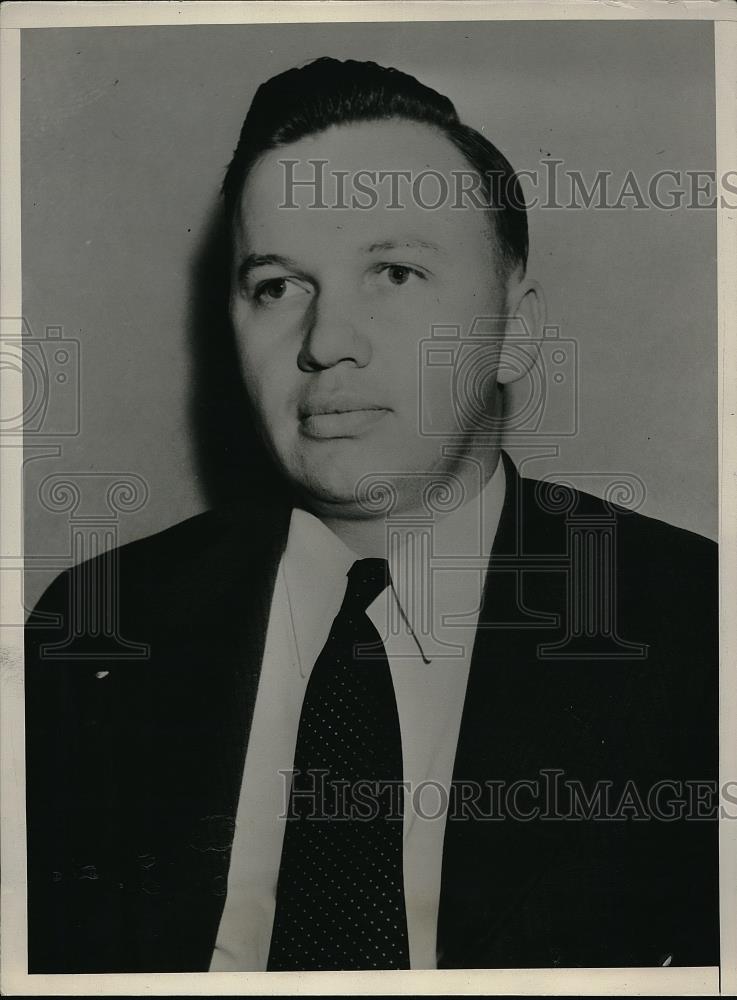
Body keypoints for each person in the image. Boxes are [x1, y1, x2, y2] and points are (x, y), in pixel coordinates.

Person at [25, 57, 718, 974]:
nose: (323, 344)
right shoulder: (95, 627)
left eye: (393, 272)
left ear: (515, 331)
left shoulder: (699, 629)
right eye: (276, 285)